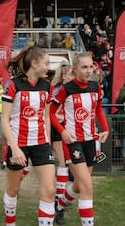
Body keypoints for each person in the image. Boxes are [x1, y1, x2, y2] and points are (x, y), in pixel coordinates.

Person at [50, 53, 110, 225]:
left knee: (78, 185)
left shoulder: (95, 86)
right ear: (74, 69)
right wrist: (62, 132)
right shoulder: (66, 89)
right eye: (84, 67)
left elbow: (98, 109)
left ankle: (59, 207)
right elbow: (51, 113)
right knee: (87, 186)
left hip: (90, 140)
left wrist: (105, 129)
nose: (88, 70)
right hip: (72, 142)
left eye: (91, 67)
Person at [2, 46, 56, 226]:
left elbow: (47, 116)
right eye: (46, 63)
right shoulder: (13, 84)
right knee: (13, 189)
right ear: (34, 63)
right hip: (18, 144)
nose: (49, 67)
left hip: (41, 143)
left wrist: (47, 141)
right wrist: (15, 148)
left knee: (49, 191)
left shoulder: (47, 85)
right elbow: (4, 120)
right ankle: (10, 223)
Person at [50, 62, 75, 206]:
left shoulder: (58, 88)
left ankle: (59, 196)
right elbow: (52, 112)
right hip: (55, 127)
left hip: (56, 127)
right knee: (62, 162)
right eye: (72, 74)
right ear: (65, 75)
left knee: (62, 161)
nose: (74, 77)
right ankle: (59, 197)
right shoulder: (60, 90)